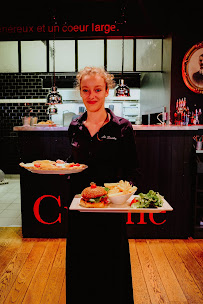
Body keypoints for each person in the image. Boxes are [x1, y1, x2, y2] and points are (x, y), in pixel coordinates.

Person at [66, 67, 137, 304]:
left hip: (110, 210)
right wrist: (63, 167)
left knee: (111, 266)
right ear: (80, 93)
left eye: (97, 89)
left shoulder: (122, 127)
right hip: (80, 209)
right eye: (86, 90)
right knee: (81, 265)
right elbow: (74, 163)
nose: (92, 95)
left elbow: (132, 171)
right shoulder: (75, 126)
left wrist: (122, 195)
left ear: (108, 91)